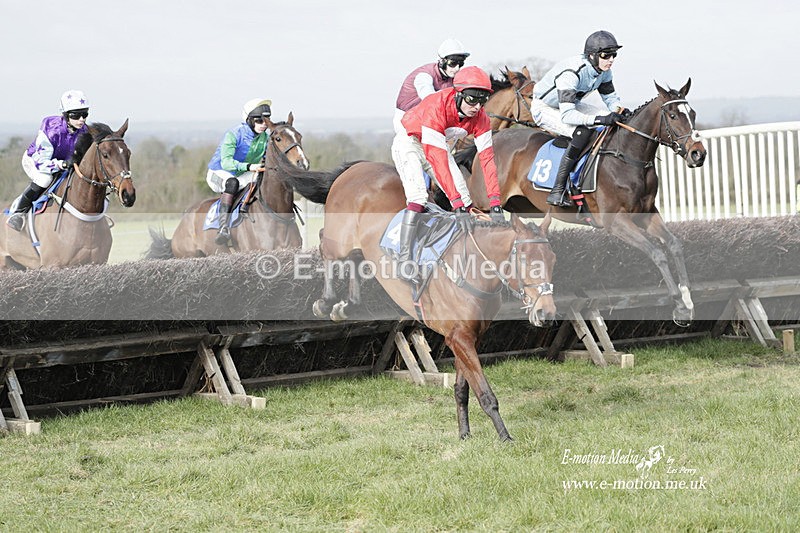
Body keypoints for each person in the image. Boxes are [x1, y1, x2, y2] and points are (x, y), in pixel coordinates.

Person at [391, 65, 506, 269]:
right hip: (409, 142)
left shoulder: (481, 118)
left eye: (482, 100)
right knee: (418, 196)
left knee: (466, 200)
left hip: (437, 145)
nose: (477, 107)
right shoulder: (437, 105)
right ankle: (404, 258)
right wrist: (455, 204)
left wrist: (496, 203)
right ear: (458, 94)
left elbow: (487, 160)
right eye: (472, 99)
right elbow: (437, 160)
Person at [530, 30, 630, 208]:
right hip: (545, 108)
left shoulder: (604, 71)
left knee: (611, 121)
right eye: (606, 55)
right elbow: (567, 115)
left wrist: (617, 111)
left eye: (614, 55)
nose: (611, 59)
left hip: (570, 104)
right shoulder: (572, 73)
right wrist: (599, 119)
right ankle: (557, 190)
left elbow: (610, 99)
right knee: (582, 132)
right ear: (592, 55)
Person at [6, 90, 90, 232]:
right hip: (35, 161)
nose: (81, 119)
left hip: (62, 164)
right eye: (76, 115)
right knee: (45, 179)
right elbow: (42, 163)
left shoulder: (85, 131)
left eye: (85, 114)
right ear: (65, 115)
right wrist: (62, 164)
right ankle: (19, 213)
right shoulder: (52, 130)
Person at [206, 98, 272, 244]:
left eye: (266, 121)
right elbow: (227, 162)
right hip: (219, 172)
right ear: (249, 120)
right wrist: (249, 167)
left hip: (243, 173)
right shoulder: (234, 134)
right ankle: (223, 227)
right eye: (258, 121)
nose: (263, 125)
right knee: (232, 183)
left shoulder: (265, 138)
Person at [393, 38, 470, 135]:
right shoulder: (424, 76)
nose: (457, 68)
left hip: (427, 120)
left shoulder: (452, 79)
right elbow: (430, 99)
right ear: (442, 61)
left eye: (460, 64)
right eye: (453, 63)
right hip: (405, 121)